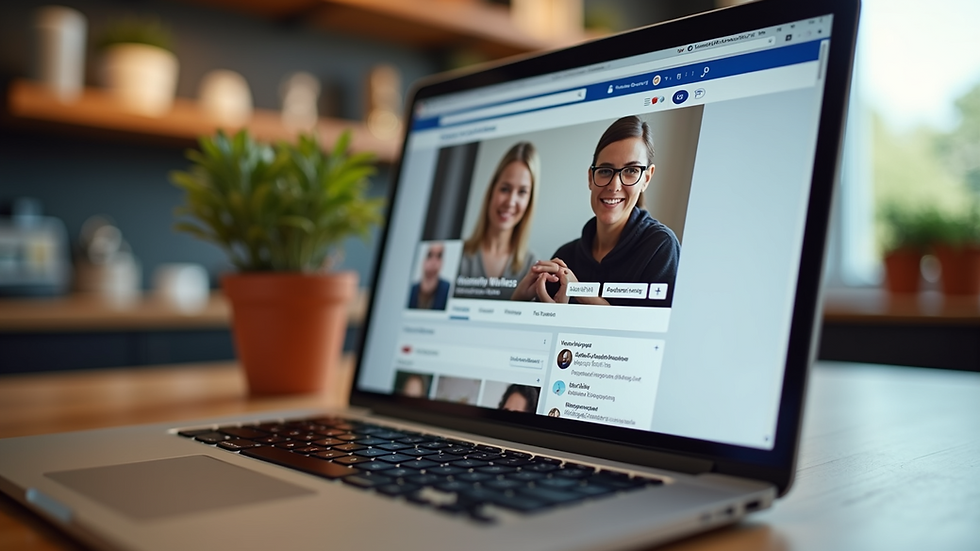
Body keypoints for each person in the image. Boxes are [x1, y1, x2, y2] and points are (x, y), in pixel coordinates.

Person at [512, 115, 680, 307]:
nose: (615, 185)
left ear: (646, 179)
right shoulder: (565, 256)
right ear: (591, 178)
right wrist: (520, 301)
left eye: (631, 171)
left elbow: (649, 333)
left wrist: (579, 290)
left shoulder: (661, 248)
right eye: (605, 171)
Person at [457, 142, 541, 300]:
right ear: (492, 191)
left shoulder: (533, 266)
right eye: (505, 189)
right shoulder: (456, 256)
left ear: (530, 201)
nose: (510, 202)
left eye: (522, 192)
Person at [408, 242, 450, 310]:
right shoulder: (410, 291)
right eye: (429, 255)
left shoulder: (448, 290)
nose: (433, 263)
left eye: (439, 256)